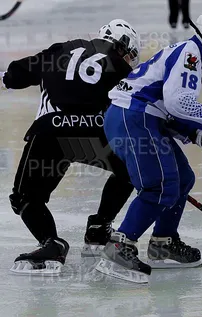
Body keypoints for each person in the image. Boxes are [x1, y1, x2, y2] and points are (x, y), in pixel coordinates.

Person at [96, 7, 202, 283]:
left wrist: (194, 132)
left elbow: (166, 105)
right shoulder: (190, 54)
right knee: (160, 184)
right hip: (133, 117)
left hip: (136, 117)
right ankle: (120, 246)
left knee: (182, 179)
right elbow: (178, 102)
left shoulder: (190, 54)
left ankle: (162, 244)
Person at [1, 19, 140, 275]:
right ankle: (99, 228)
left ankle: (50, 243)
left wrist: (9, 78)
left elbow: (18, 73)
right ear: (124, 48)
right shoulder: (122, 68)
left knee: (25, 197)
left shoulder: (62, 49)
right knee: (131, 171)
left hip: (51, 132)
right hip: (96, 135)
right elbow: (136, 107)